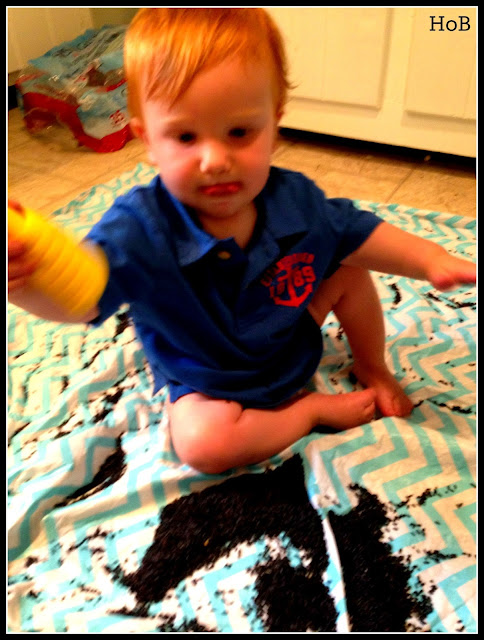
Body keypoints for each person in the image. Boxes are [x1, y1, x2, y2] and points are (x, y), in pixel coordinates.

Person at [8, 8, 476, 474]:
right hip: (205, 375)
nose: (215, 160)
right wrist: (29, 284)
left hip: (287, 341)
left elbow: (358, 232)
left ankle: (372, 365)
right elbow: (84, 299)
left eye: (239, 132)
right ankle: (308, 412)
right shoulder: (138, 226)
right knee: (204, 446)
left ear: (274, 125)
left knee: (349, 269)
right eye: (185, 136)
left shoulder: (294, 199)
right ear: (147, 140)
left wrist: (429, 258)